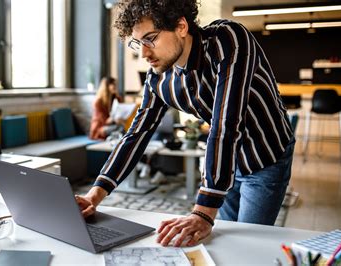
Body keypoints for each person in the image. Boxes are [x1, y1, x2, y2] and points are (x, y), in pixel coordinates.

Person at [76, 0, 295, 248]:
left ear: (181, 26)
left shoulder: (228, 40)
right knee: (227, 237)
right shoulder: (157, 79)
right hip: (224, 160)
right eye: (138, 43)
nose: (144, 54)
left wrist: (202, 212)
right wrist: (95, 195)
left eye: (151, 39)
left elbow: (225, 123)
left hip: (265, 153)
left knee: (250, 244)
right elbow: (136, 134)